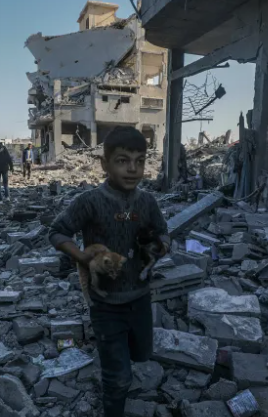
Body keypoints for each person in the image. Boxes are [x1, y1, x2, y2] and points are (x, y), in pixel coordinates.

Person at [48, 126, 170, 417]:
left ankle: (115, 362)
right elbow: (57, 231)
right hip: (105, 303)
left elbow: (164, 233)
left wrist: (160, 246)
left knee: (141, 355)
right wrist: (81, 256)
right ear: (105, 164)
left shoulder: (146, 202)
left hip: (140, 297)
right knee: (118, 378)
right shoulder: (90, 202)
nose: (132, 169)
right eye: (122, 160)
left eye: (140, 161)